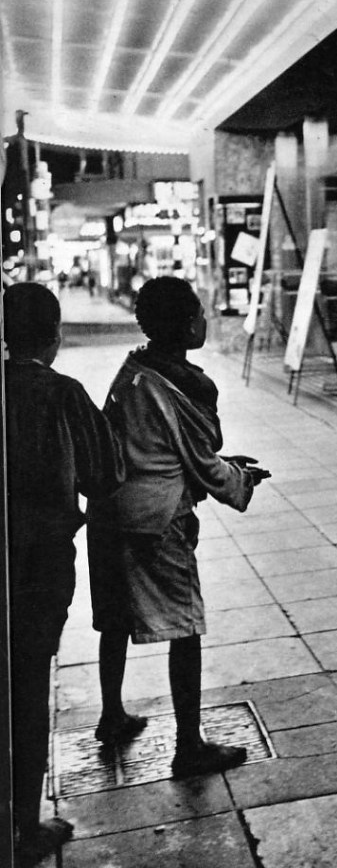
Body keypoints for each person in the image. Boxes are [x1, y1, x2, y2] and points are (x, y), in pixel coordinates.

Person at [87, 277, 269, 778]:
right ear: (189, 325)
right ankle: (189, 746)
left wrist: (219, 463)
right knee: (185, 626)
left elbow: (166, 449)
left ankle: (112, 715)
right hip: (155, 521)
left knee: (115, 619)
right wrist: (241, 478)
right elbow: (202, 462)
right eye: (200, 312)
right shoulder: (184, 385)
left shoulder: (135, 370)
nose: (205, 319)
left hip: (110, 516)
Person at [3, 283, 125, 866]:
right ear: (55, 338)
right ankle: (26, 826)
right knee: (27, 686)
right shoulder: (62, 394)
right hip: (41, 564)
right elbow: (105, 473)